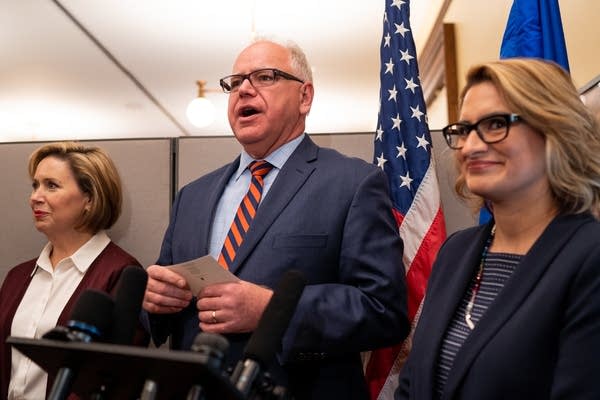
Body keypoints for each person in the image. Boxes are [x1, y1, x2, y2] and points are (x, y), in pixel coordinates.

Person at [142, 37, 409, 399]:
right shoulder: (192, 196)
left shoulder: (353, 183)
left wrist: (271, 310)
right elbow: (163, 308)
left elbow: (383, 311)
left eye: (264, 77)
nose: (244, 90)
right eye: (235, 83)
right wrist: (156, 301)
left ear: (305, 97)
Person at [395, 58, 600, 400]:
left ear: (555, 130)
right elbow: (413, 385)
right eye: (464, 130)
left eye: (495, 124)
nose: (471, 147)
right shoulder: (457, 251)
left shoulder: (589, 258)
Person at [0, 141, 149, 400]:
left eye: (51, 185)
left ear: (89, 199)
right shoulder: (17, 277)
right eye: (35, 185)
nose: (35, 196)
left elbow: (115, 378)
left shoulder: (123, 273)